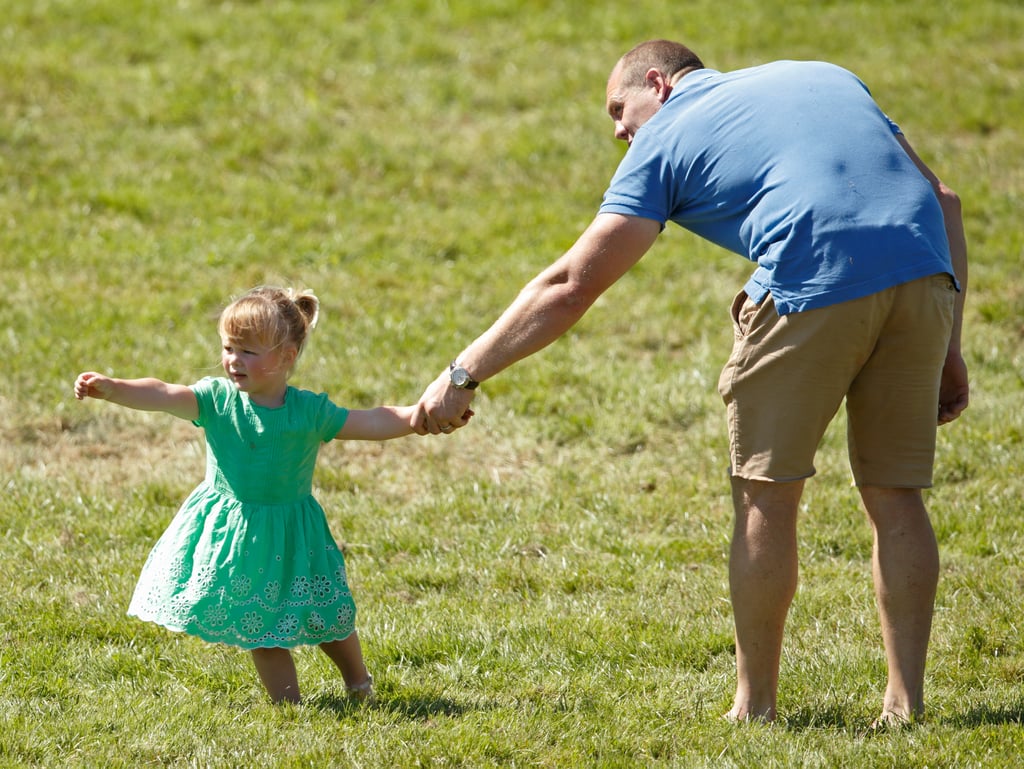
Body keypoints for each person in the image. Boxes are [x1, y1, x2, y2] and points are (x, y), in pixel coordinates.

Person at [414, 40, 969, 725]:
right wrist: (953, 344)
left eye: (620, 109)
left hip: (809, 280)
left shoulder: (667, 135)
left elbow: (571, 282)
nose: (619, 132)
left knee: (766, 494)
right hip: (924, 273)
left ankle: (755, 706)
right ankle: (905, 704)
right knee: (897, 495)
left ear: (658, 81)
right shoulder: (825, 74)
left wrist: (464, 371)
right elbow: (943, 198)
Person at [75, 286, 464, 704]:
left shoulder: (308, 413)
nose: (233, 360)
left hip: (295, 534)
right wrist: (114, 388)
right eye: (228, 347)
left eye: (248, 351)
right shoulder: (215, 401)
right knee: (260, 627)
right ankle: (289, 707)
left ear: (286, 358)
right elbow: (163, 393)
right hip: (238, 535)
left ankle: (358, 682)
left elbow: (370, 421)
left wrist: (416, 417)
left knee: (328, 615)